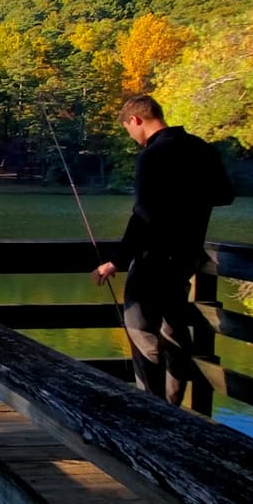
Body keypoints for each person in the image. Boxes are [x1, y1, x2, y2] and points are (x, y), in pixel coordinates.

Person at [91, 95, 234, 405]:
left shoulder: (153, 155)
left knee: (139, 326)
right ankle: (172, 405)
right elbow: (225, 194)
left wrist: (117, 260)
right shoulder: (202, 149)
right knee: (173, 329)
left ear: (136, 120)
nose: (131, 136)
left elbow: (143, 213)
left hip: (153, 257)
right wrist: (189, 199)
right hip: (186, 256)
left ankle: (149, 404)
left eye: (128, 128)